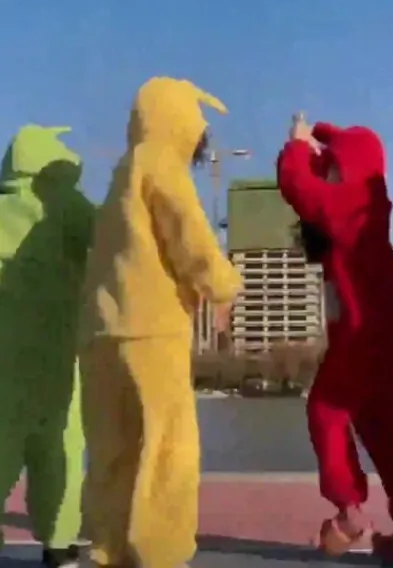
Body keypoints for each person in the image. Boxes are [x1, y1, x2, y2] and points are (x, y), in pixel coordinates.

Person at [78, 76, 242, 568]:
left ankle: (107, 548)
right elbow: (187, 233)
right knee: (168, 446)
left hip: (101, 331)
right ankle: (159, 553)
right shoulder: (162, 165)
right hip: (151, 328)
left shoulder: (121, 173)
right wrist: (224, 285)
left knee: (111, 449)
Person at [277, 116, 393, 562]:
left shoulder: (350, 202)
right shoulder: (366, 203)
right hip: (391, 330)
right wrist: (319, 143)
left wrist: (297, 147)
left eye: (331, 168)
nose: (325, 175)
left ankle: (349, 511)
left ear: (348, 169)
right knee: (387, 426)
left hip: (367, 331)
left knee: (326, 412)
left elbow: (298, 187)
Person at [0, 125, 94, 568]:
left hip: (4, 359)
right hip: (57, 354)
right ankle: (59, 542)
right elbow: (111, 241)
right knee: (60, 451)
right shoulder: (67, 205)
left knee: (2, 446)